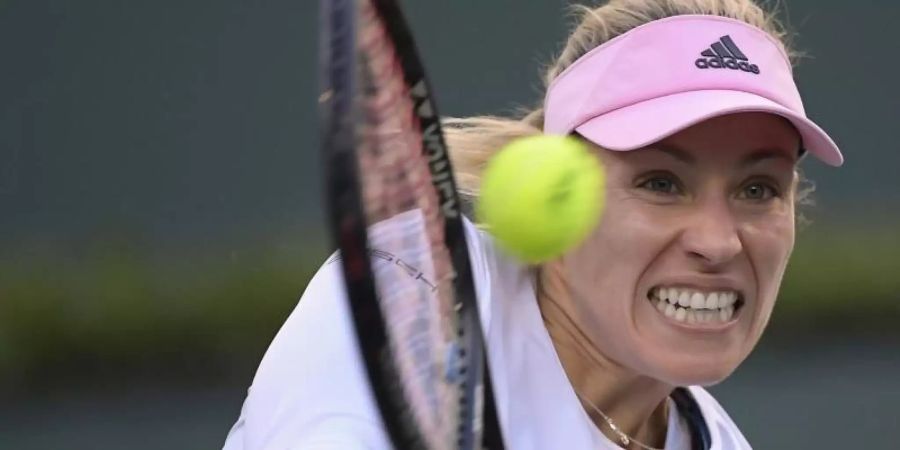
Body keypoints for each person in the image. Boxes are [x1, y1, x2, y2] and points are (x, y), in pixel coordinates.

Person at [223, 0, 843, 448]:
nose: (717, 241)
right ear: (559, 197)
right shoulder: (419, 291)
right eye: (660, 183)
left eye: (758, 189)